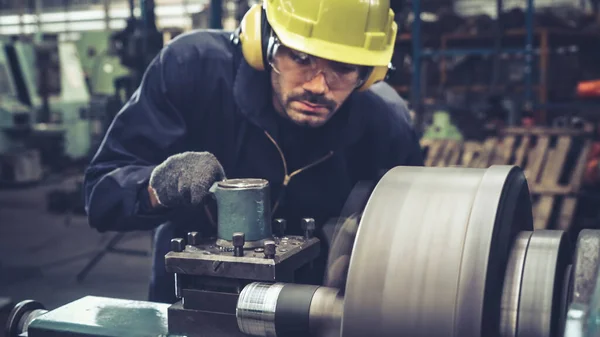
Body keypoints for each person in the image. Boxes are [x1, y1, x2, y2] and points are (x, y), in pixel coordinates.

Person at [83, 0, 424, 304]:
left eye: (344, 68)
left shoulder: (384, 123)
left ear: (370, 74)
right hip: (192, 301)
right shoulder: (192, 69)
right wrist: (159, 188)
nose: (319, 86)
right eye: (301, 58)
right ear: (262, 44)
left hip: (312, 310)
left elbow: (420, 238)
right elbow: (101, 196)